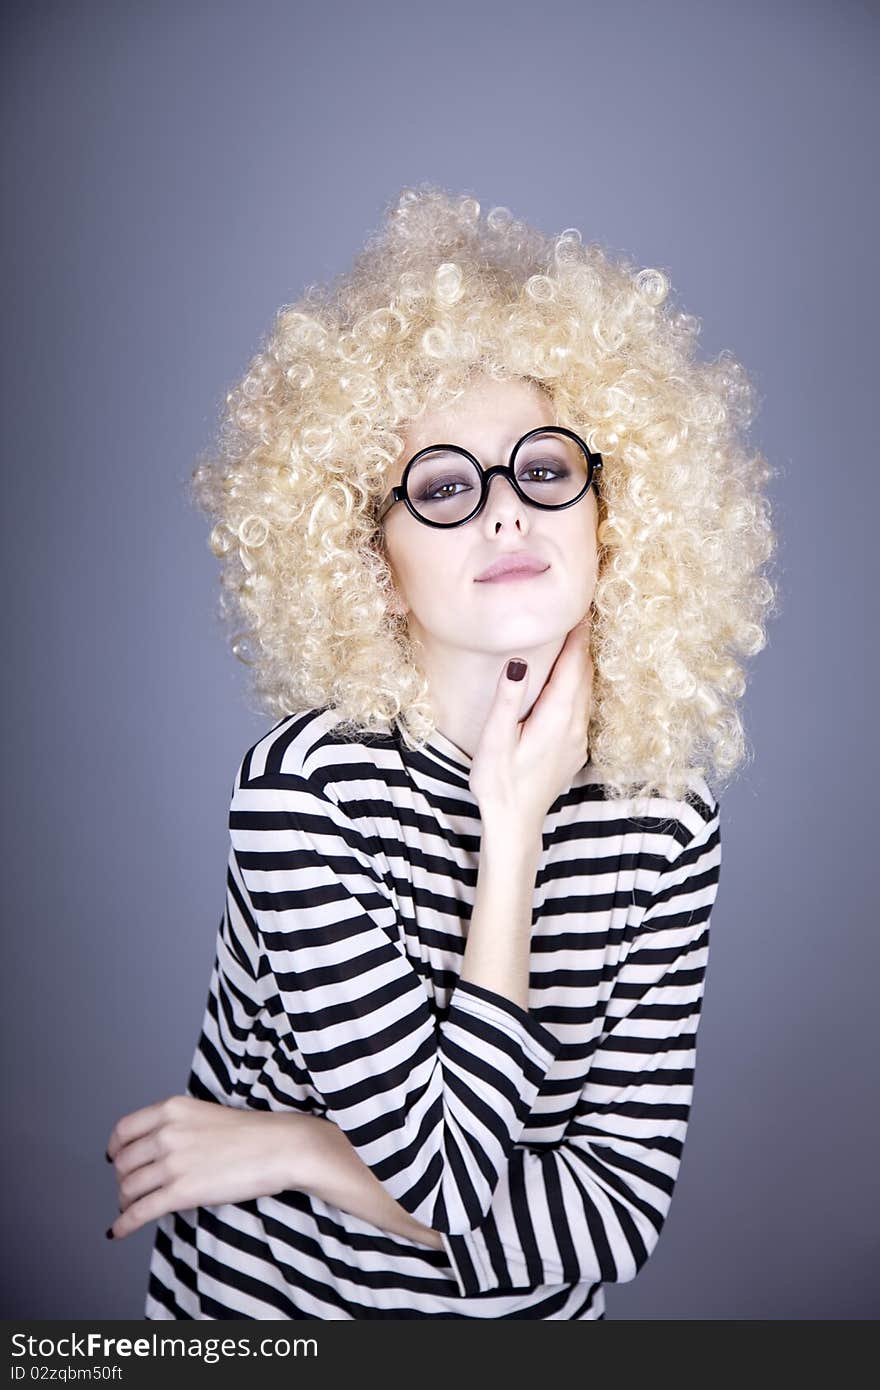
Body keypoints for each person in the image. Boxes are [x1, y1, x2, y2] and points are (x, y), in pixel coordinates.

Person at [104, 185, 777, 1319]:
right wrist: (510, 837)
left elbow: (612, 1219)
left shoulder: (667, 822)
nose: (506, 514)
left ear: (612, 512)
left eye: (545, 469)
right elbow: (449, 1177)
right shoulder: (306, 791)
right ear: (374, 555)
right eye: (446, 488)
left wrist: (293, 1150)